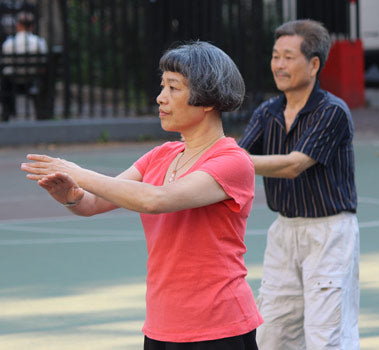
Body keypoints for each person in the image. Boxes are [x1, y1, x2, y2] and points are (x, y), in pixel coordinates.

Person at [21, 41, 263, 349]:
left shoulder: (232, 161)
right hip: (162, 326)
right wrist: (70, 196)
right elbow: (91, 203)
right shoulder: (162, 154)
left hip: (218, 327)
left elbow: (155, 200)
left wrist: (78, 171)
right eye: (162, 86)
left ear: (207, 100)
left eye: (174, 88)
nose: (160, 98)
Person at [238, 20, 359, 349]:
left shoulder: (331, 112)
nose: (279, 65)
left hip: (329, 234)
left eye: (288, 57)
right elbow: (237, 157)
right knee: (271, 333)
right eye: (275, 56)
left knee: (326, 335)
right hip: (284, 232)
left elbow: (294, 164)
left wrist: (228, 162)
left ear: (314, 63)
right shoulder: (267, 112)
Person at [1, 11, 48, 121]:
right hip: (32, 80)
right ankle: (42, 113)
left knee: (5, 78)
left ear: (18, 25)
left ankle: (7, 112)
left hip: (12, 81)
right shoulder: (39, 42)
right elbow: (43, 61)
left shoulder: (9, 43)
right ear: (32, 26)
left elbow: (6, 61)